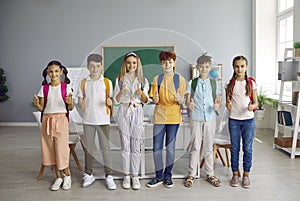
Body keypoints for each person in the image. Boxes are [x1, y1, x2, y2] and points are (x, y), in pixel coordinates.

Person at [147, 50, 186, 188]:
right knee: (156, 148)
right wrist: (155, 99)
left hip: (174, 118)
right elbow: (154, 98)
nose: (167, 64)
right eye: (164, 62)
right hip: (159, 117)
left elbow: (183, 100)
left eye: (170, 62)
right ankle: (158, 176)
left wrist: (179, 98)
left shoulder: (180, 80)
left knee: (170, 148)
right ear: (161, 64)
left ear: (174, 63)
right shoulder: (156, 79)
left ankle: (168, 176)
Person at [77, 54, 116, 190]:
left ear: (101, 67)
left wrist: (110, 103)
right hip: (88, 120)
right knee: (89, 149)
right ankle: (88, 174)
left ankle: (109, 175)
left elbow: (111, 101)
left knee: (106, 149)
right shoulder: (83, 82)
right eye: (92, 66)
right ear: (88, 67)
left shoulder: (107, 82)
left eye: (98, 66)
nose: (95, 69)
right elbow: (80, 99)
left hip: (103, 120)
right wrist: (81, 103)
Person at [33, 60, 74, 191]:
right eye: (51, 71)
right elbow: (42, 108)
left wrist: (70, 102)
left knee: (61, 149)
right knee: (49, 149)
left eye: (56, 71)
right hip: (47, 120)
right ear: (47, 73)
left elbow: (70, 107)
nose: (54, 74)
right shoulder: (44, 88)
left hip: (61, 121)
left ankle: (67, 175)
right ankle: (58, 177)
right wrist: (36, 105)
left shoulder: (66, 87)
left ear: (61, 72)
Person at [184, 54, 221, 188]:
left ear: (210, 68)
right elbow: (188, 101)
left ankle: (210, 174)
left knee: (208, 147)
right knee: (195, 146)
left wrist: (218, 105)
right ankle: (191, 174)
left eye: (206, 66)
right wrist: (189, 104)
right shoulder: (192, 83)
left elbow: (218, 101)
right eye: (201, 67)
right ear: (197, 67)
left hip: (210, 118)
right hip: (196, 117)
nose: (204, 69)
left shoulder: (213, 83)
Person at [113, 52, 149, 190]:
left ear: (137, 64)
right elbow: (116, 100)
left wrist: (142, 94)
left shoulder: (143, 80)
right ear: (125, 64)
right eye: (128, 62)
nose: (131, 65)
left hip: (137, 111)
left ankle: (135, 175)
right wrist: (121, 92)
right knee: (125, 144)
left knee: (136, 144)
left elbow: (146, 100)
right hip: (123, 110)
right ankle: (126, 175)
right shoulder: (119, 79)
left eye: (134, 62)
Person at [225, 55, 258, 188]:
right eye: (237, 66)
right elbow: (227, 101)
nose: (239, 69)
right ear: (233, 67)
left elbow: (256, 102)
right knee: (235, 148)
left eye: (242, 66)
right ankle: (235, 173)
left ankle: (246, 175)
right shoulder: (229, 84)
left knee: (248, 148)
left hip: (248, 120)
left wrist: (252, 106)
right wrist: (228, 104)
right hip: (234, 120)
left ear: (246, 67)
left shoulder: (250, 83)